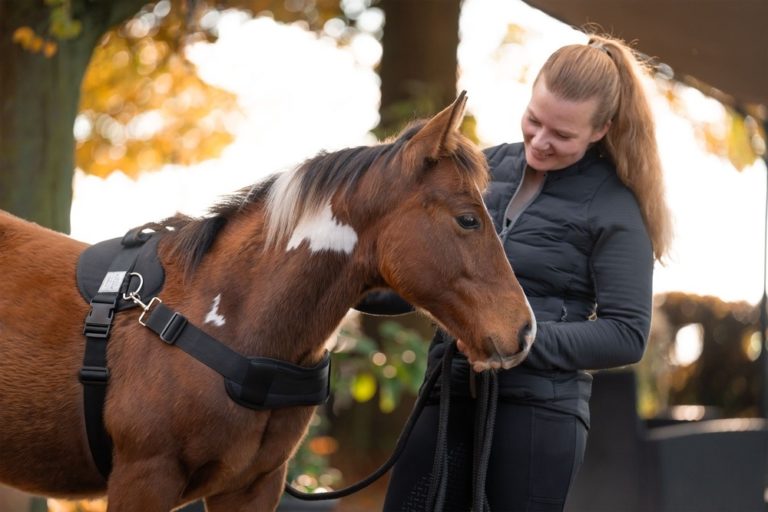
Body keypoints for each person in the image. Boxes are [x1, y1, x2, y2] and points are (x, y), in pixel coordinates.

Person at [362, 33, 672, 512]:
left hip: (537, 416)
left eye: (562, 135)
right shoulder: (483, 168)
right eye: (534, 120)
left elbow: (627, 334)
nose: (541, 142)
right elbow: (429, 279)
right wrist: (349, 283)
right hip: (446, 396)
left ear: (601, 130)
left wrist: (517, 342)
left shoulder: (616, 209)